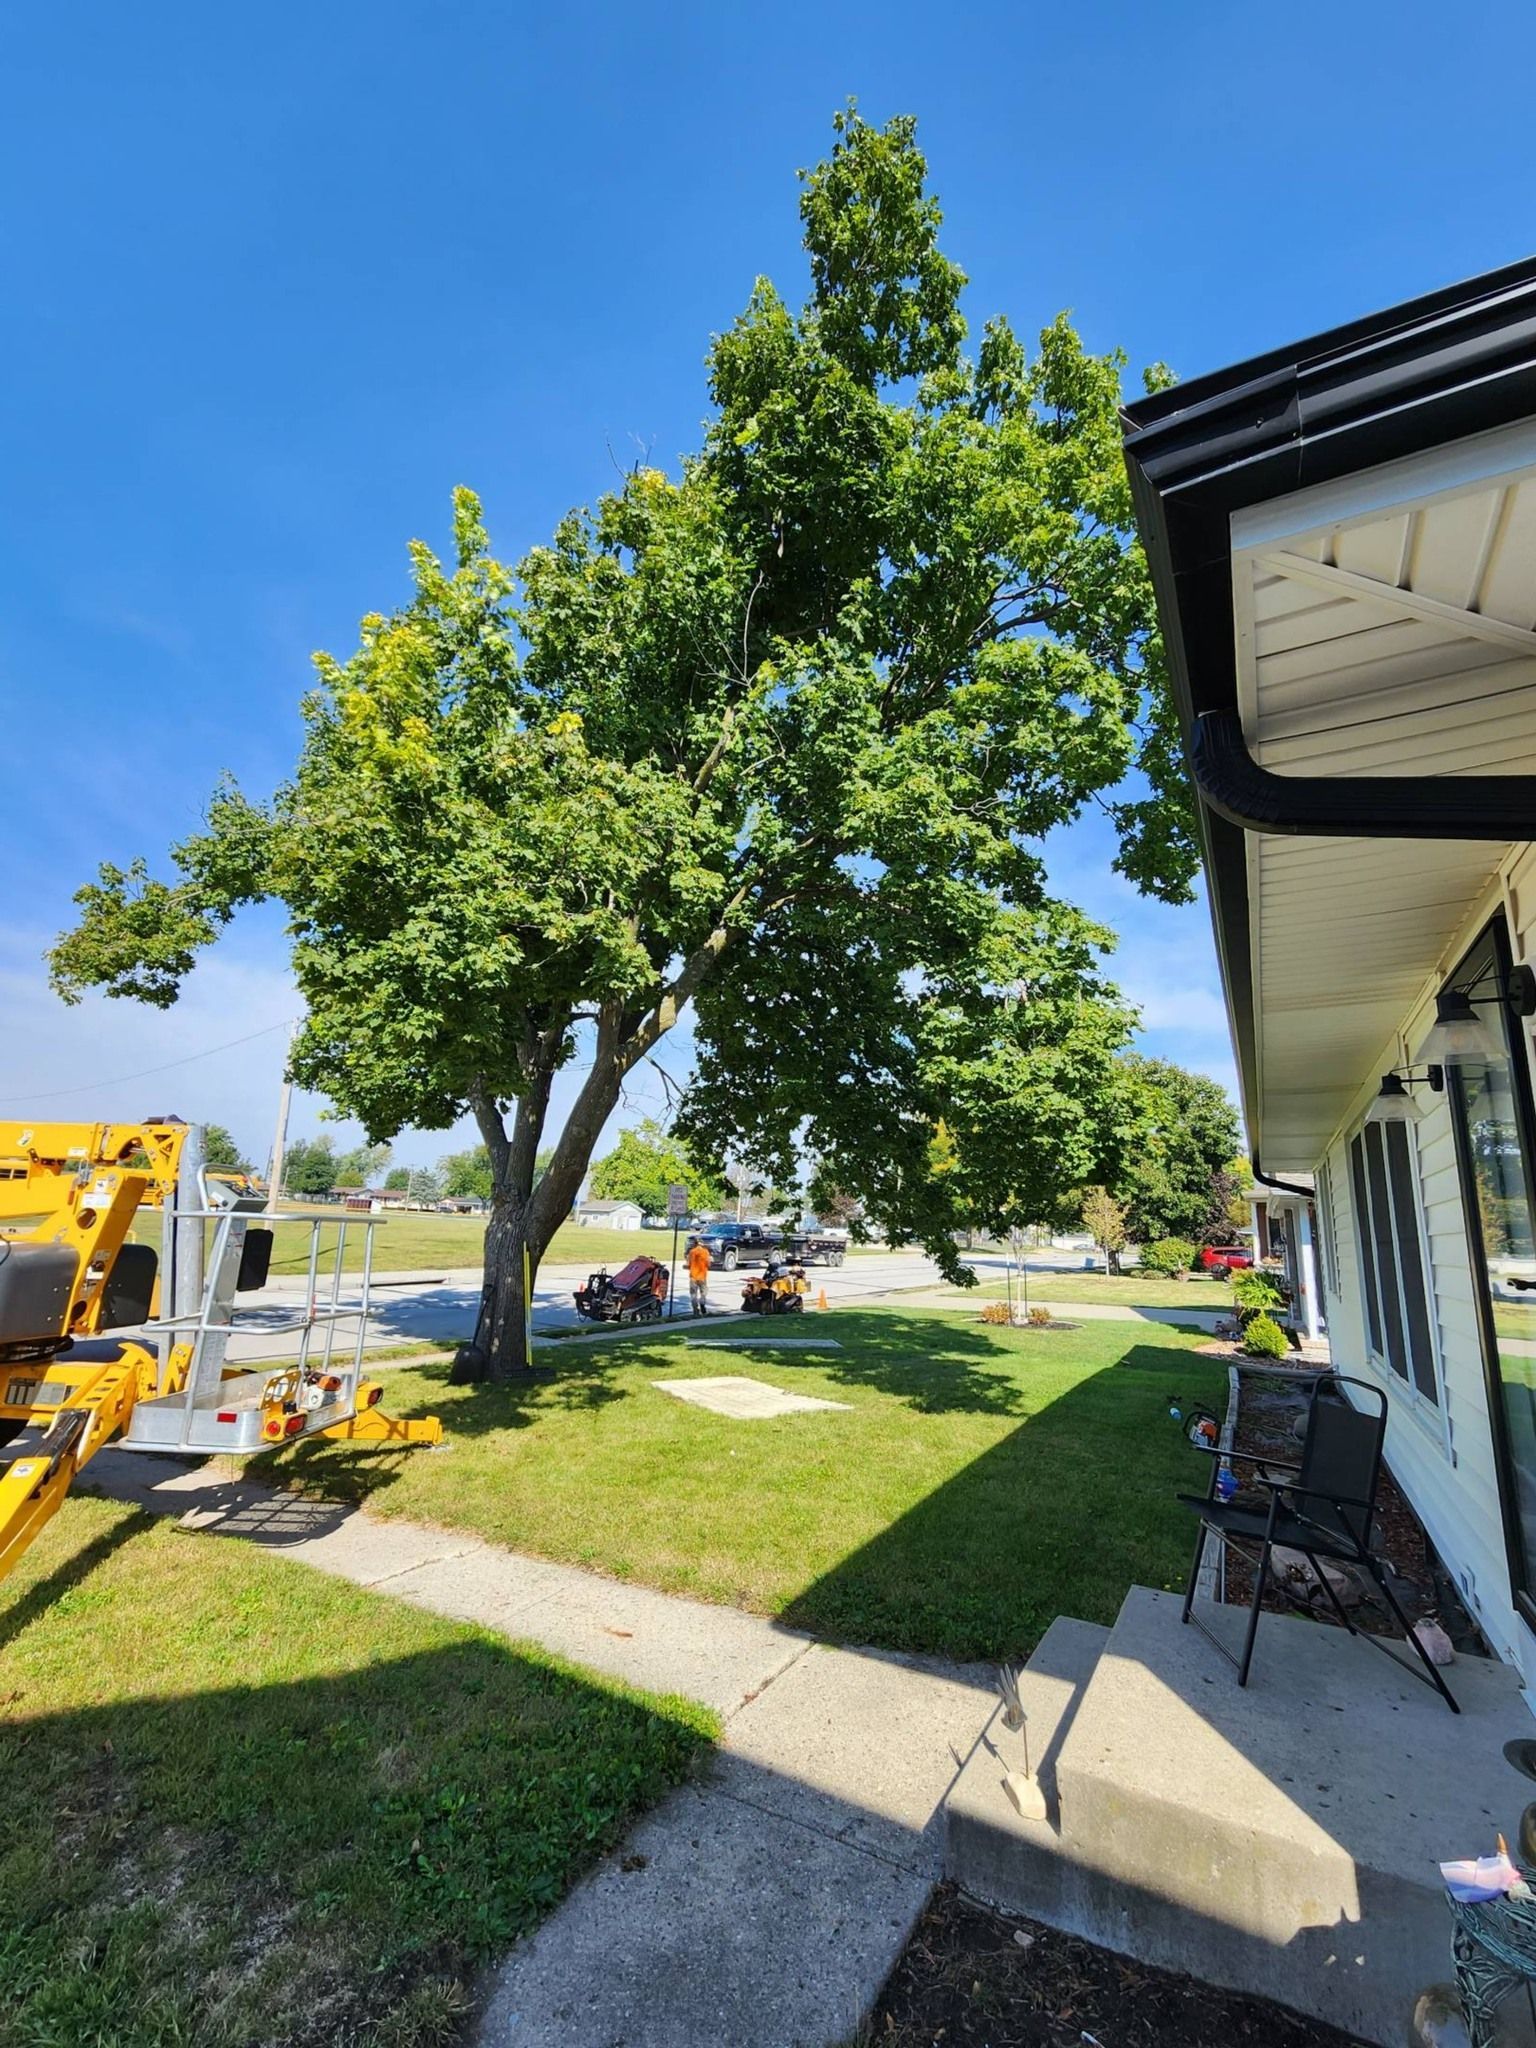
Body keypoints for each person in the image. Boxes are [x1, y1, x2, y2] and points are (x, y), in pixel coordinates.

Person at [686, 1235, 711, 1317]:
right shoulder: (706, 1252)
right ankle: (702, 1302)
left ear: (695, 1243)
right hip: (702, 1276)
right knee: (704, 1292)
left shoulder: (692, 1252)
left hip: (693, 1276)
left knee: (693, 1294)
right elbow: (708, 1264)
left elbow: (689, 1264)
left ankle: (695, 1310)